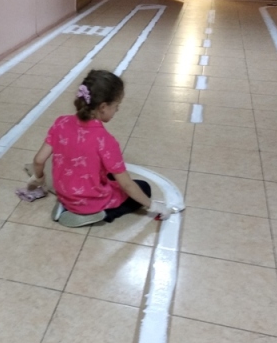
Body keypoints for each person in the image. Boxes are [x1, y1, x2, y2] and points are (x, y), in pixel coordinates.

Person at [28, 69, 170, 228]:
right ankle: (98, 214)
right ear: (103, 107)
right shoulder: (105, 141)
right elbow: (127, 185)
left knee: (104, 173)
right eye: (116, 106)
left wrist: (39, 180)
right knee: (143, 188)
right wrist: (153, 206)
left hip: (64, 192)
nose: (117, 110)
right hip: (89, 201)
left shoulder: (61, 122)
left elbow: (39, 160)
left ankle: (65, 206)